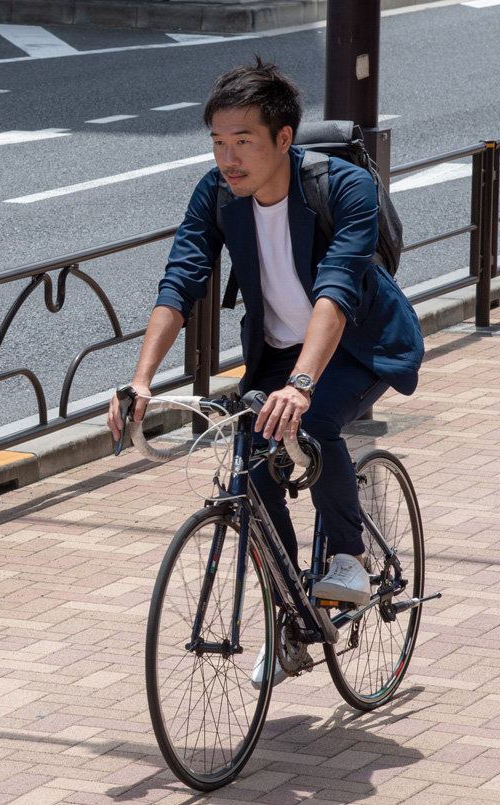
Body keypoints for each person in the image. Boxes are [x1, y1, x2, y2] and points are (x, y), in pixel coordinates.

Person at [107, 58, 424, 683]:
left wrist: (303, 386)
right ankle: (293, 616)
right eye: (219, 143)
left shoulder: (345, 190)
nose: (229, 158)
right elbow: (181, 282)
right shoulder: (218, 194)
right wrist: (141, 379)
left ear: (284, 138)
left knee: (310, 425)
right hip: (278, 349)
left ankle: (351, 560)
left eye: (243, 142)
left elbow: (336, 291)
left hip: (358, 345)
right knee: (251, 463)